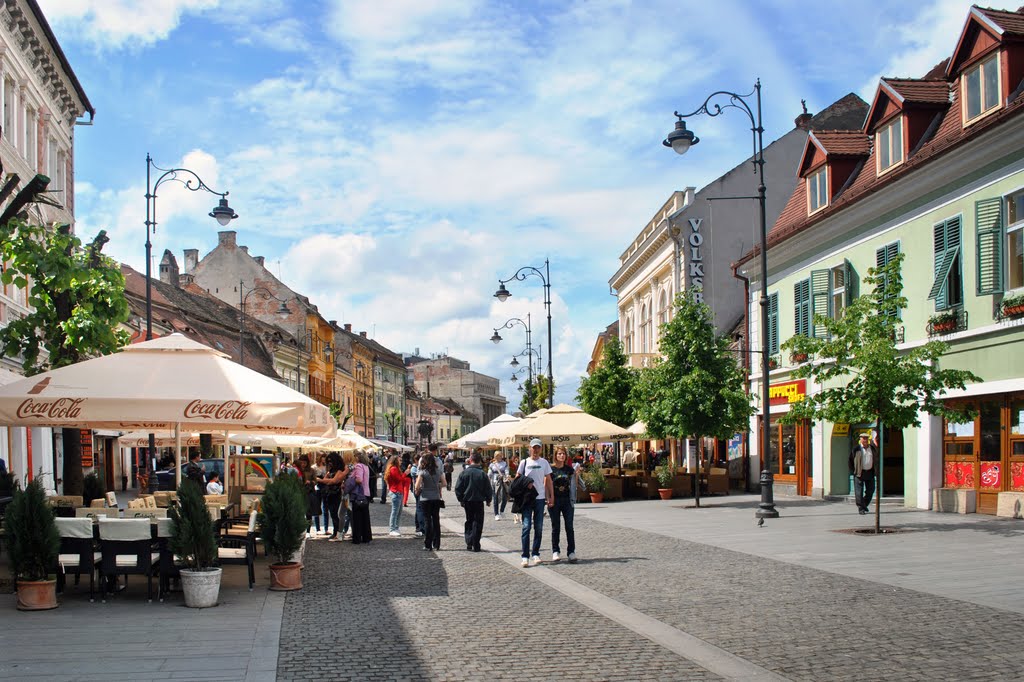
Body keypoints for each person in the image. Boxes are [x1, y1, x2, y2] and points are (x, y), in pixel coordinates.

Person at [517, 439, 553, 567]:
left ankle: (536, 553)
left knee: (538, 527)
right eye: (534, 448)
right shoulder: (524, 462)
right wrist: (525, 483)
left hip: (540, 499)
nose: (536, 450)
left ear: (541, 449)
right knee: (526, 526)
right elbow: (517, 478)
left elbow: (548, 480)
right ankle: (525, 555)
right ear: (530, 448)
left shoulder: (544, 463)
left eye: (538, 448)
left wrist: (551, 496)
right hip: (527, 499)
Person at [454, 452, 493, 552]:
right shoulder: (482, 474)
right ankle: (476, 543)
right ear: (479, 461)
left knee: (469, 520)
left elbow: (458, 488)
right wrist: (488, 499)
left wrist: (461, 499)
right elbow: (488, 488)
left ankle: (469, 541)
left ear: (470, 460)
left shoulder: (464, 473)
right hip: (479, 501)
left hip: (467, 501)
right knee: (478, 522)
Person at [549, 447, 581, 563]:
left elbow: (574, 485)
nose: (562, 456)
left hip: (567, 500)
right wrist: (548, 498)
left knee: (569, 527)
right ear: (555, 455)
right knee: (555, 527)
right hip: (555, 500)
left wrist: (576, 475)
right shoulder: (550, 469)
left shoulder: (569, 469)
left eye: (563, 454)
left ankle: (571, 552)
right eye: (559, 454)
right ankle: (555, 551)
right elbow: (547, 484)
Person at [415, 453, 446, 551]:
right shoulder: (438, 471)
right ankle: (437, 544)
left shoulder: (422, 472)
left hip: (425, 499)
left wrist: (422, 488)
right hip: (436, 498)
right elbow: (444, 483)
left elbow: (416, 486)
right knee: (436, 520)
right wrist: (437, 486)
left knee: (428, 521)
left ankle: (428, 544)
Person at [316, 452, 347, 541]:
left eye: (331, 461)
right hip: (329, 494)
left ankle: (338, 532)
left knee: (336, 514)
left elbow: (333, 481)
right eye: (328, 461)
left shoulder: (339, 470)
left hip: (336, 494)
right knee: (333, 514)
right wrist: (326, 480)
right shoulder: (331, 470)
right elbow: (327, 480)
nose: (329, 463)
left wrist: (322, 480)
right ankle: (335, 532)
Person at [348, 452, 373, 544]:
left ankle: (357, 538)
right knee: (365, 517)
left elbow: (359, 479)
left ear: (358, 458)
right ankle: (366, 536)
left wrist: (351, 480)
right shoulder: (366, 466)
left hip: (358, 494)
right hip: (366, 493)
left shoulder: (358, 466)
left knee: (357, 517)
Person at [851, 432, 877, 515]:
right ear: (860, 439)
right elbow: (850, 460)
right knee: (859, 492)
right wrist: (854, 471)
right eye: (863, 438)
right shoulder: (856, 449)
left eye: (866, 438)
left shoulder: (872, 448)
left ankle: (864, 504)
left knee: (871, 490)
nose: (865, 440)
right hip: (859, 473)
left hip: (869, 472)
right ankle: (860, 508)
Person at [384, 455, 410, 536]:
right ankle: (392, 528)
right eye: (399, 460)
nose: (401, 462)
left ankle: (396, 527)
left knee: (398, 512)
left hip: (398, 492)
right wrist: (405, 473)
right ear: (395, 461)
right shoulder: (393, 469)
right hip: (396, 492)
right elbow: (399, 479)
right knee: (395, 512)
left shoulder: (394, 468)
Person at [488, 452, 509, 520]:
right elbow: (489, 473)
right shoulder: (492, 464)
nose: (499, 457)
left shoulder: (504, 463)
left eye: (500, 456)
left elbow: (506, 471)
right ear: (495, 456)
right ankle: (496, 514)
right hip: (495, 482)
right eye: (497, 456)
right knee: (495, 498)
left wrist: (507, 475)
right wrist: (488, 477)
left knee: (505, 497)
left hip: (503, 481)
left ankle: (502, 510)